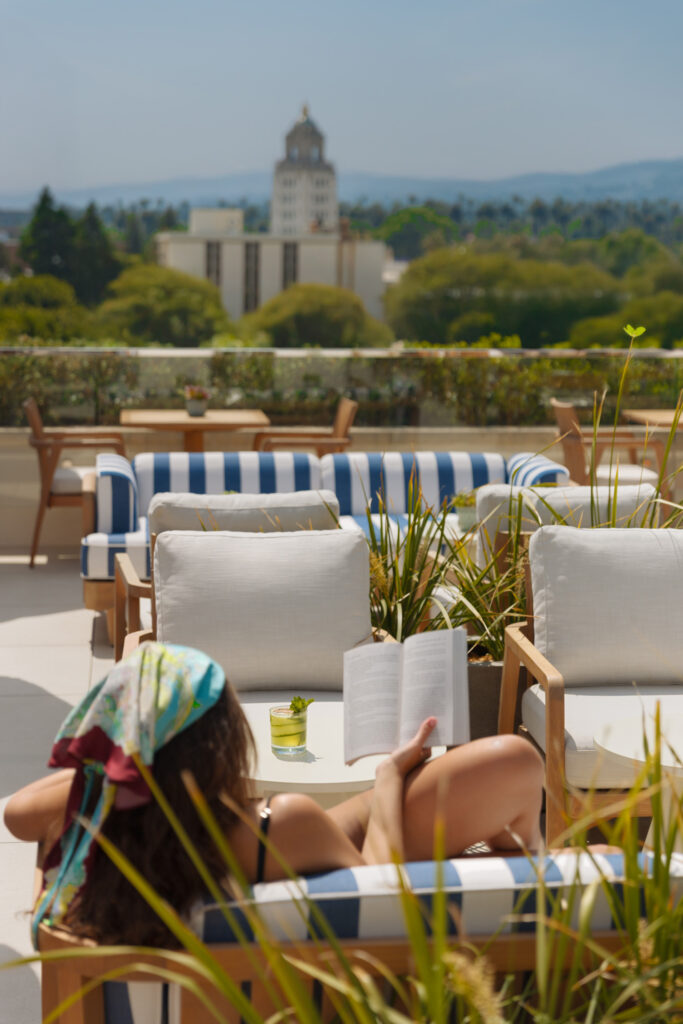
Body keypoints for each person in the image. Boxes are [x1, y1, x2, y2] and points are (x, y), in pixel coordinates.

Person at [5, 642, 544, 948]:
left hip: (256, 858)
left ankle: (501, 836)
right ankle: (522, 853)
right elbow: (379, 896)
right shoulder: (279, 824)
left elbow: (18, 813)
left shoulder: (101, 832)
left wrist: (124, 759)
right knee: (519, 762)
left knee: (498, 766)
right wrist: (387, 779)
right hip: (330, 908)